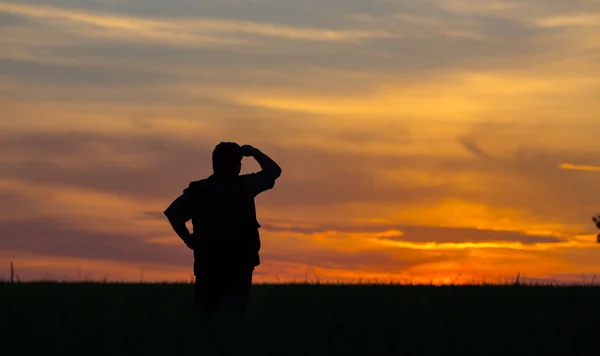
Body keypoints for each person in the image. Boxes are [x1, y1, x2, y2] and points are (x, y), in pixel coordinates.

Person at [164, 142, 282, 321]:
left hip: (208, 264)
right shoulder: (244, 185)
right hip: (238, 264)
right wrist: (254, 152)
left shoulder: (199, 190)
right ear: (236, 165)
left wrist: (189, 240)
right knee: (232, 319)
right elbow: (274, 172)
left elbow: (174, 214)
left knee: (204, 319)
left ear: (214, 163)